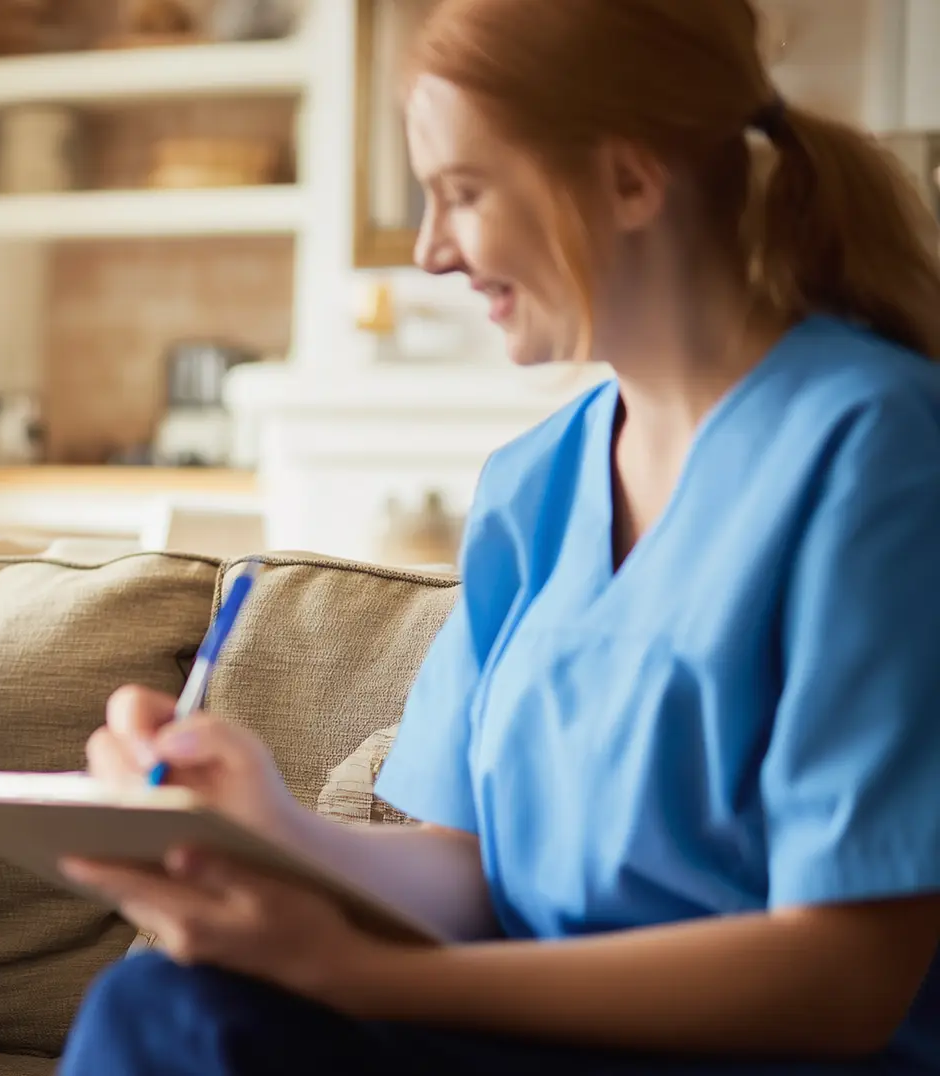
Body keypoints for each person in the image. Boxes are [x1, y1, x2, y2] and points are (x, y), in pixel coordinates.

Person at [57, 1, 940, 1073]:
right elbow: (472, 877)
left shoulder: (876, 446)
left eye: (464, 193)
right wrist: (267, 826)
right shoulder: (535, 481)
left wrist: (362, 976)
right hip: (540, 1035)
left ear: (629, 179)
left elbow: (846, 976)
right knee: (165, 1001)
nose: (431, 251)